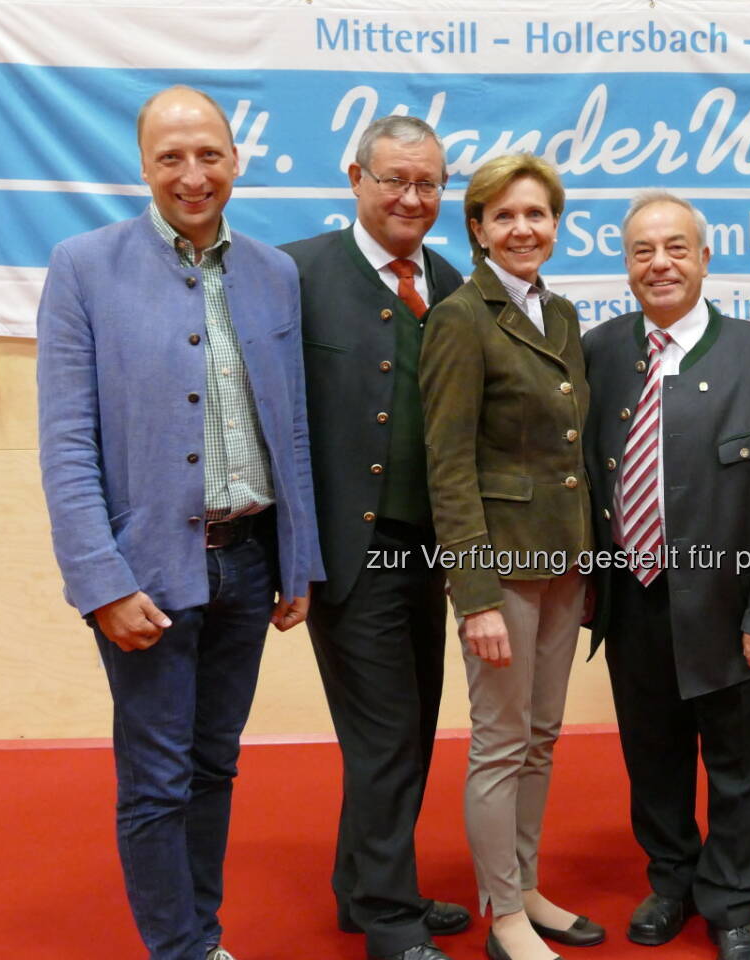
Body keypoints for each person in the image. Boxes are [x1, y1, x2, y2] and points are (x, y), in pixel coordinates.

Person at [36, 85, 321, 960]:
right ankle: (182, 949)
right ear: (145, 167)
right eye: (171, 158)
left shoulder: (275, 272)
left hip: (247, 566)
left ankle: (203, 937)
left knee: (214, 768)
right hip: (147, 575)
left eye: (208, 155)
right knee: (157, 782)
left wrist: (299, 561)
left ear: (235, 160)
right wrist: (101, 583)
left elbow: (294, 429)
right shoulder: (84, 266)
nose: (192, 176)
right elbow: (66, 443)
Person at [582, 192, 750, 960]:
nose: (661, 264)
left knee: (740, 766)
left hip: (735, 606)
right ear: (626, 264)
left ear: (707, 258)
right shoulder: (600, 353)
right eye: (644, 250)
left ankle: (733, 904)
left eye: (677, 247)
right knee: (652, 756)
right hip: (636, 600)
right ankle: (670, 880)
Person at [280, 115, 468, 960]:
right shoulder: (296, 272)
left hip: (426, 552)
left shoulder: (452, 280)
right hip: (347, 556)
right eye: (394, 180)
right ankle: (390, 918)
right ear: (356, 177)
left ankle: (363, 887)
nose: (411, 198)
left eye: (428, 183)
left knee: (412, 726)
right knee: (385, 734)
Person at [419, 153, 603, 960]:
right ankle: (501, 916)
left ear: (555, 225)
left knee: (543, 734)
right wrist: (476, 595)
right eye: (505, 216)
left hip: (563, 562)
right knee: (498, 742)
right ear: (477, 228)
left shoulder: (558, 313)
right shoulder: (461, 317)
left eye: (537, 214)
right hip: (502, 571)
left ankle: (524, 885)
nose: (523, 229)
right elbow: (448, 465)